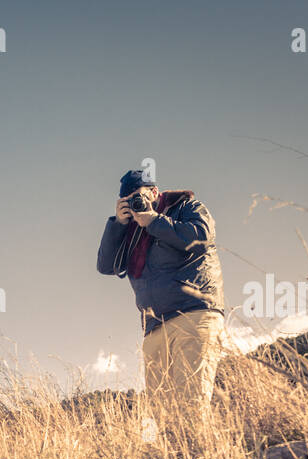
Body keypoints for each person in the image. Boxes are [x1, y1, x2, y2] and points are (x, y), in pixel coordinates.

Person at [96, 170, 226, 418]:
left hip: (194, 316)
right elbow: (106, 266)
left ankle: (205, 456)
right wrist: (118, 224)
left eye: (140, 197)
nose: (136, 205)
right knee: (163, 418)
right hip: (155, 328)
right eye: (129, 201)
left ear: (154, 192)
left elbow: (200, 238)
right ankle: (179, 458)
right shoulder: (131, 230)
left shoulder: (185, 206)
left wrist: (153, 221)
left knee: (192, 409)